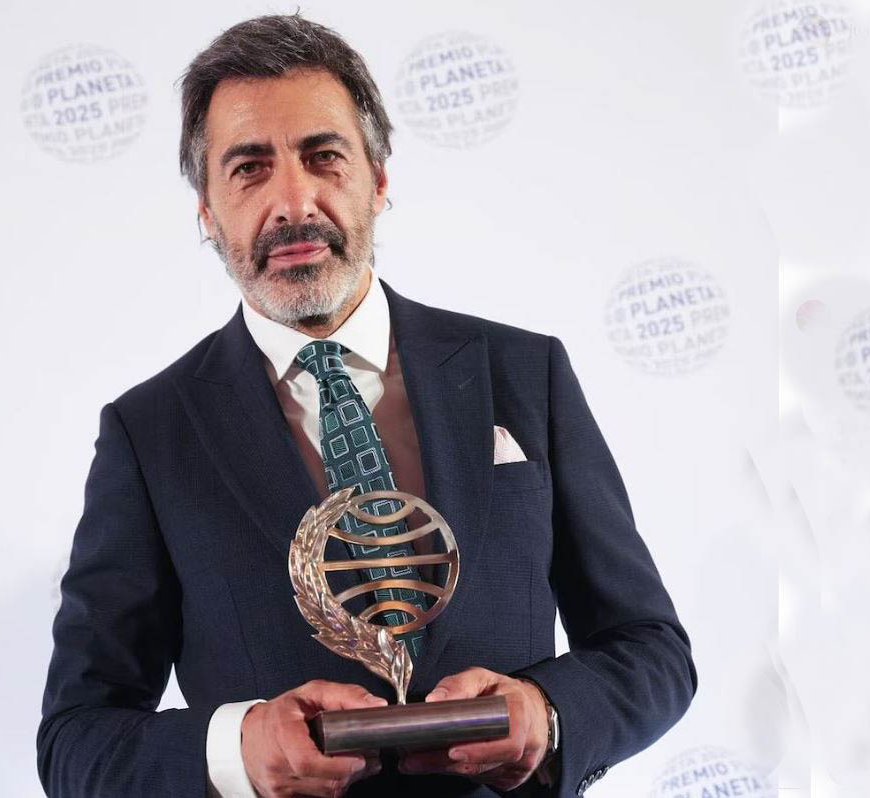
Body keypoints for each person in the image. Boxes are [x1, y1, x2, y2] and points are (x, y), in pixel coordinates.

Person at [36, 13, 697, 798]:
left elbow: (651, 651)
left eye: (324, 157)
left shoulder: (526, 373)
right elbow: (77, 737)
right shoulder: (149, 434)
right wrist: (240, 748)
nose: (294, 201)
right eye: (249, 168)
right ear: (207, 211)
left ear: (379, 179)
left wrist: (545, 712)